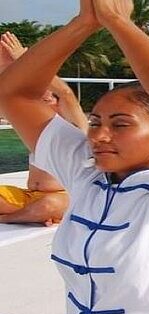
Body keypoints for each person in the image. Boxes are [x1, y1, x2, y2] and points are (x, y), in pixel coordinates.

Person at [0, 1, 149, 314]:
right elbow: (14, 93)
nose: (100, 136)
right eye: (95, 123)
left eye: (121, 125)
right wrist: (83, 23)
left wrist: (116, 20)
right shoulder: (85, 174)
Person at [0, 31, 88, 226]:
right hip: (28, 195)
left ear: (58, 104)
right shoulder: (37, 129)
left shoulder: (76, 125)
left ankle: (10, 218)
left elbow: (65, 93)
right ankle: (30, 214)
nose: (42, 101)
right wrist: (8, 68)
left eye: (48, 98)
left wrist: (27, 61)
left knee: (50, 205)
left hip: (62, 196)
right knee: (42, 206)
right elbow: (7, 97)